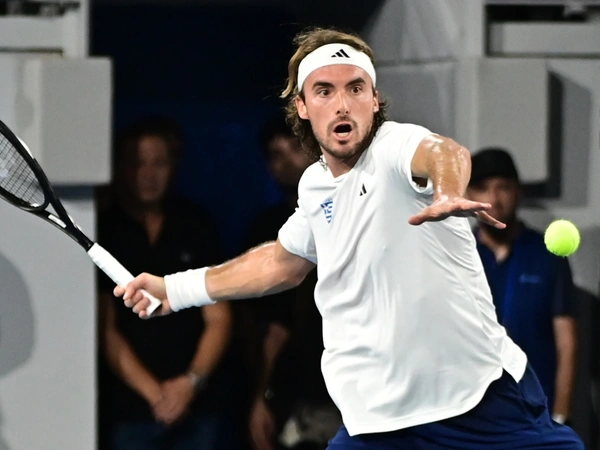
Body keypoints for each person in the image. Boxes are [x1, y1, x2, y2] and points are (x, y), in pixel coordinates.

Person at [113, 28, 584, 449]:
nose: (342, 103)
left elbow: (444, 152)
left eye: (355, 88)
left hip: (478, 401)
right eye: (325, 90)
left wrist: (444, 191)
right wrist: (176, 289)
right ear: (302, 107)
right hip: (377, 423)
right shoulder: (315, 187)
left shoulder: (394, 146)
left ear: (374, 99)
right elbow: (281, 262)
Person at [97, 116, 233, 450]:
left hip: (198, 404)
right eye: (137, 163)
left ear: (174, 165)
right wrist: (158, 395)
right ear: (119, 167)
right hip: (130, 409)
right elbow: (104, 328)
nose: (148, 174)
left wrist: (189, 384)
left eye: (158, 163)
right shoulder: (105, 230)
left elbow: (219, 317)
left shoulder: (197, 225)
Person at [239, 116, 341, 450]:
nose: (287, 161)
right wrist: (261, 395)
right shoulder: (266, 228)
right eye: (275, 154)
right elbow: (270, 323)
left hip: (357, 376)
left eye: (295, 147)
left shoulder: (350, 215)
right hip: (296, 383)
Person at [467, 147, 578, 425]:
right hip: (473, 415)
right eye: (483, 188)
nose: (493, 199)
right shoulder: (457, 255)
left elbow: (567, 344)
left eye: (503, 188)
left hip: (535, 413)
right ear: (468, 196)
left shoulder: (547, 254)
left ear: (518, 192)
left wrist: (559, 418)